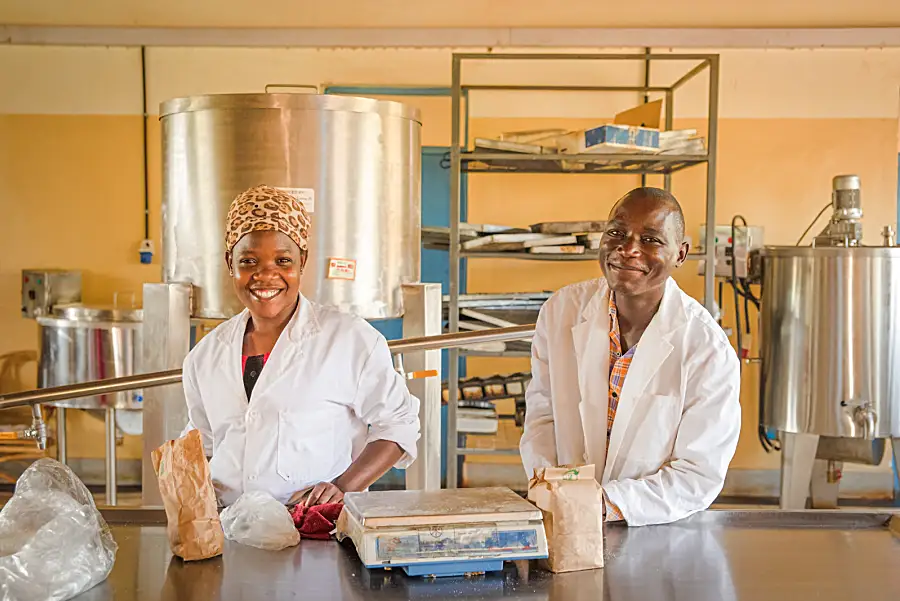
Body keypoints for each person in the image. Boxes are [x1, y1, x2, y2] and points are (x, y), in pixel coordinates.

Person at [182, 185, 420, 508]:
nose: (266, 275)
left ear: (302, 261)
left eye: (283, 260)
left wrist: (342, 486)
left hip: (317, 534)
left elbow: (399, 424)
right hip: (230, 535)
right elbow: (204, 444)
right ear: (230, 263)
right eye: (249, 261)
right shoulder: (205, 358)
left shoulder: (348, 340)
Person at [519, 187, 741, 527]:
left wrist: (604, 503)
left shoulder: (706, 348)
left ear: (680, 254)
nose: (628, 249)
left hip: (653, 526)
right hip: (563, 520)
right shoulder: (561, 311)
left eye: (651, 239)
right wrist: (554, 490)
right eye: (616, 232)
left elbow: (697, 474)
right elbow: (542, 417)